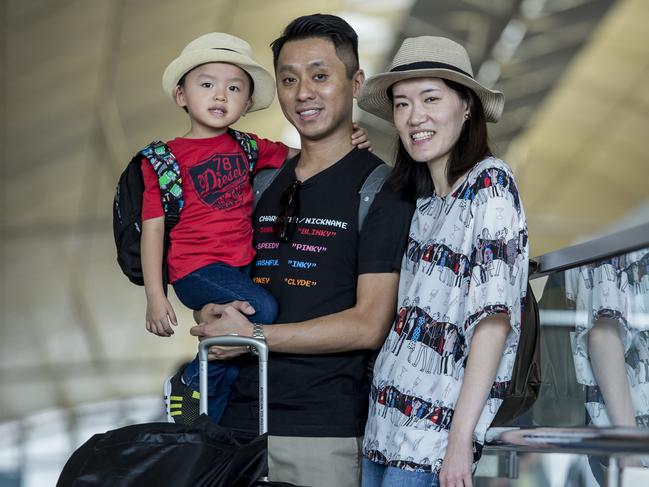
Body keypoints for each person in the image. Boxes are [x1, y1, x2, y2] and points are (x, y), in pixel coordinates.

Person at [189, 14, 414, 487]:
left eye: (319, 75)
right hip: (233, 428)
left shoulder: (383, 190)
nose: (303, 92)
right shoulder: (259, 182)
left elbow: (369, 324)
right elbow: (216, 266)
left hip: (322, 434)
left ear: (355, 83)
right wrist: (214, 312)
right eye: (289, 79)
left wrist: (254, 334)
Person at [139, 32, 370, 424]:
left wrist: (348, 141)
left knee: (238, 322)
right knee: (262, 307)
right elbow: (153, 230)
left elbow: (306, 152)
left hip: (237, 267)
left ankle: (211, 405)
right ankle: (191, 379)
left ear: (246, 103)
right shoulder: (163, 160)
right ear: (181, 95)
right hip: (195, 268)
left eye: (233, 88)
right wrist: (156, 298)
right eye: (206, 85)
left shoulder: (248, 148)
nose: (219, 96)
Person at [356, 36, 529, 487]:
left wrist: (459, 440)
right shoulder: (424, 205)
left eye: (430, 98)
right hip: (384, 428)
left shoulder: (489, 184)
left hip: (432, 442)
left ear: (467, 106)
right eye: (402, 104)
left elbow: (493, 321)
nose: (415, 117)